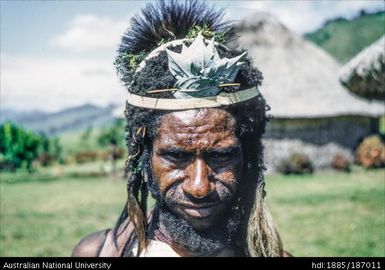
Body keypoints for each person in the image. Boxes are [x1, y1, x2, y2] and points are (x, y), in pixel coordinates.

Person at [72, 0, 286, 257]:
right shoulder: (99, 253)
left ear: (248, 156)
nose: (199, 187)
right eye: (176, 156)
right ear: (144, 155)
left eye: (221, 156)